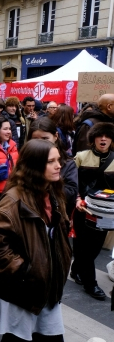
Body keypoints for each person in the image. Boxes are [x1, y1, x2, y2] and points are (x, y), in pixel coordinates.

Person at [0, 139, 71, 342]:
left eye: (58, 160)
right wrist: (23, 270)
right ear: (34, 165)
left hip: (48, 289)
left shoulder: (52, 192)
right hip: (21, 291)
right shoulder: (14, 199)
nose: (58, 165)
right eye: (50, 161)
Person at [71, 122, 114, 300]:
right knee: (83, 245)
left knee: (94, 248)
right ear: (93, 139)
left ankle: (76, 270)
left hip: (105, 214)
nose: (103, 139)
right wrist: (77, 200)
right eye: (99, 136)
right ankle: (91, 284)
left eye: (107, 136)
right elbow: (71, 183)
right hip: (83, 210)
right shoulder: (81, 157)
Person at [27, 117, 78, 217]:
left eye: (45, 139)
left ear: (55, 136)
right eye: (36, 140)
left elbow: (71, 193)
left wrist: (47, 187)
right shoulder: (26, 161)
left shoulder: (67, 163)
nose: (41, 144)